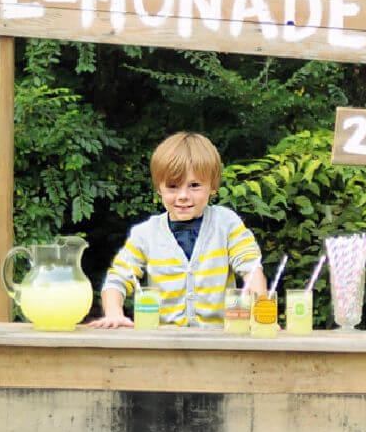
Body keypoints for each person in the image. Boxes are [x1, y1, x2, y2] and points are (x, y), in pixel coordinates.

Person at [88, 132, 267, 328]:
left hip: (218, 344)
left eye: (194, 185)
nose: (183, 195)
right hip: (163, 346)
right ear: (159, 189)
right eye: (172, 186)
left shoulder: (225, 223)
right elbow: (117, 279)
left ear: (212, 186)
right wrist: (114, 313)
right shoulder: (145, 234)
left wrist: (261, 315)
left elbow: (251, 268)